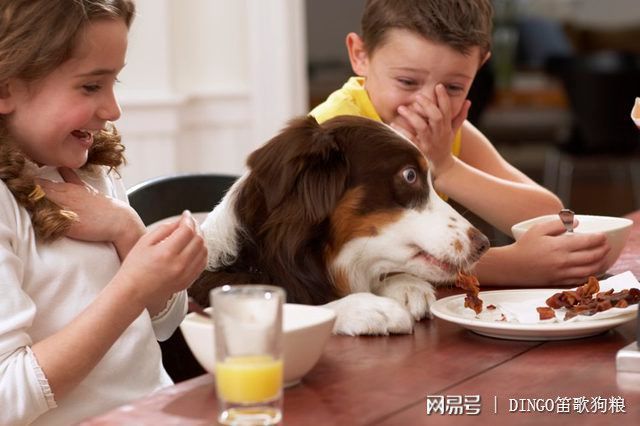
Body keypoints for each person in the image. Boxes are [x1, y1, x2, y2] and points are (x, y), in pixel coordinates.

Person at [0, 1, 208, 424]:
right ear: (6, 87)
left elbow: (161, 327)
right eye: (91, 86)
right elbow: (7, 395)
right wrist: (130, 288)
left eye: (114, 82)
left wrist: (127, 230)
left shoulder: (86, 170)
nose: (113, 110)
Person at [310, 0, 610, 287]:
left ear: (479, 66)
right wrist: (510, 265)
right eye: (407, 82)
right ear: (360, 54)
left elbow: (549, 216)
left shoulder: (443, 133)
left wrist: (446, 167)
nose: (429, 103)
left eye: (453, 88)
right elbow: (332, 259)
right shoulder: (333, 135)